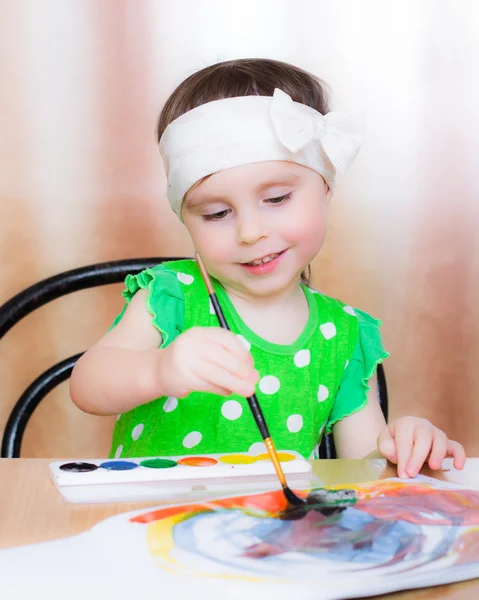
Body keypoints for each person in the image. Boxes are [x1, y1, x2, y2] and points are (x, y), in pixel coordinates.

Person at [70, 58, 465, 478]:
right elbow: (88, 386)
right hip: (145, 526)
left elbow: (360, 473)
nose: (250, 232)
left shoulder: (344, 335)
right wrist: (159, 370)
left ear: (326, 186)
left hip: (270, 536)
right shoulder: (172, 295)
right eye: (217, 213)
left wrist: (402, 446)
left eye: (276, 199)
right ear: (184, 217)